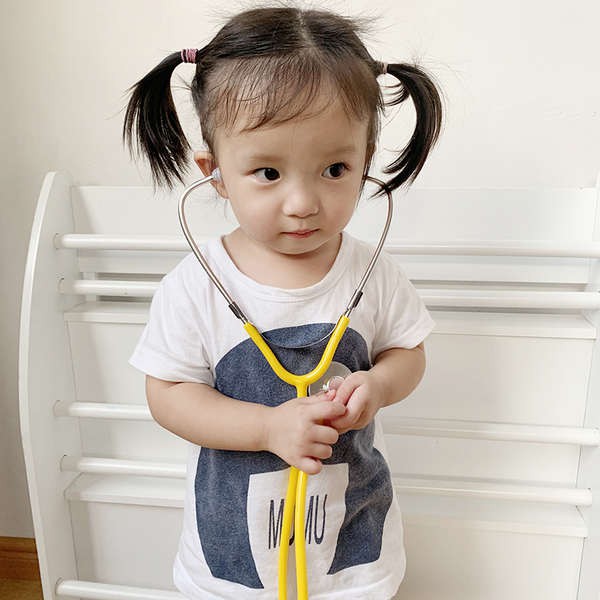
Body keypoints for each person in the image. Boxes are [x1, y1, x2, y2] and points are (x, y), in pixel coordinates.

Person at [124, 6, 443, 599]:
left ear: (365, 162)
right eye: (268, 172)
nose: (303, 202)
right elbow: (167, 395)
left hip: (351, 549)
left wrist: (379, 385)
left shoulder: (373, 274)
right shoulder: (196, 285)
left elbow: (407, 352)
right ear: (216, 173)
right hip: (232, 560)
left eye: (334, 169)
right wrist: (266, 427)